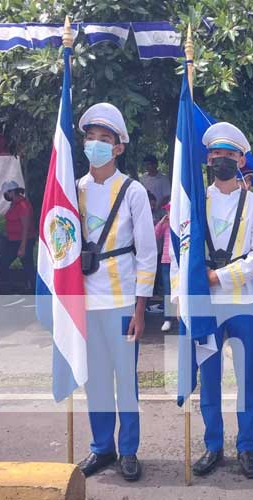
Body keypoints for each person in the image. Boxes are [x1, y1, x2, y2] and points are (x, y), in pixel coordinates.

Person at [75, 103, 157, 482]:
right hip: (84, 300)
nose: (96, 145)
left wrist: (141, 310)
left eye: (104, 140)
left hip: (122, 300)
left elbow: (147, 254)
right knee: (94, 379)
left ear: (119, 147)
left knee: (126, 379)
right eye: (91, 138)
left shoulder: (133, 191)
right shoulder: (73, 189)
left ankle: (128, 450)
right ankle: (101, 447)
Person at [192, 122, 253, 480]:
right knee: (209, 378)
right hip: (206, 304)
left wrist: (219, 276)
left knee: (245, 381)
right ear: (207, 158)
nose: (221, 160)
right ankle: (213, 445)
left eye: (228, 155)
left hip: (242, 302)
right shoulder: (194, 200)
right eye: (215, 154)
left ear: (241, 159)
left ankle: (246, 446)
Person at [0, 180, 36, 294]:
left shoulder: (22, 205)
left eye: (6, 193)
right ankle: (16, 287)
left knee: (27, 265)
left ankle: (34, 289)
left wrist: (22, 247)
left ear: (11, 192)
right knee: (5, 262)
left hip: (23, 240)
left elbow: (25, 227)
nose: (5, 196)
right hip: (13, 239)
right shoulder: (14, 204)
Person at [154, 201, 174, 331]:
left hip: (179, 262)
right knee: (167, 291)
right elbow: (154, 235)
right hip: (166, 261)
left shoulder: (183, 225)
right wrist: (161, 223)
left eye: (170, 210)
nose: (168, 212)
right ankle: (168, 319)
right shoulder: (166, 225)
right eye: (167, 210)